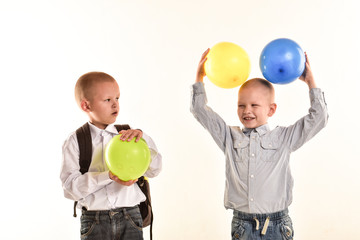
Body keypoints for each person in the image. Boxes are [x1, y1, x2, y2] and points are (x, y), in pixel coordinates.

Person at [190, 49, 328, 240]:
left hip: (278, 225)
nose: (247, 111)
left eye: (254, 105)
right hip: (242, 225)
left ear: (271, 110)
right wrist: (200, 77)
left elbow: (319, 118)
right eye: (241, 105)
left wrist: (311, 82)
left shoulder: (284, 138)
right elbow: (200, 110)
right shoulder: (229, 137)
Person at [61, 72, 162, 240]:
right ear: (86, 106)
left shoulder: (130, 136)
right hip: (94, 221)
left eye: (117, 98)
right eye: (108, 100)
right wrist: (108, 176)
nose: (115, 105)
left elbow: (155, 170)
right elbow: (70, 189)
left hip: (131, 216)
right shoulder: (75, 141)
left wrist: (143, 138)